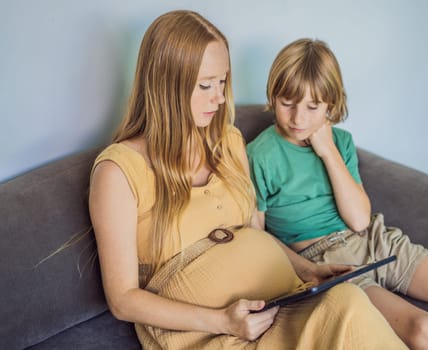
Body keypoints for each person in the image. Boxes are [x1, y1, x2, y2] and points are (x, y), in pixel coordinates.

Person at [89, 11, 407, 349]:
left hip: (279, 303)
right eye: (205, 84)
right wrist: (223, 320)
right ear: (166, 83)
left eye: (223, 81)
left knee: (350, 302)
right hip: (213, 334)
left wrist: (307, 271)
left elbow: (254, 231)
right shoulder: (118, 172)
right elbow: (123, 299)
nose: (220, 97)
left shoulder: (228, 142)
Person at [247, 38, 428, 350]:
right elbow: (255, 236)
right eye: (288, 103)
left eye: (313, 107)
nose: (298, 118)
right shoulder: (260, 155)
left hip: (375, 239)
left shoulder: (340, 143)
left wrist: (328, 153)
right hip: (324, 260)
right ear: (273, 95)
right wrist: (305, 271)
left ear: (331, 106)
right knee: (424, 328)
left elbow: (359, 220)